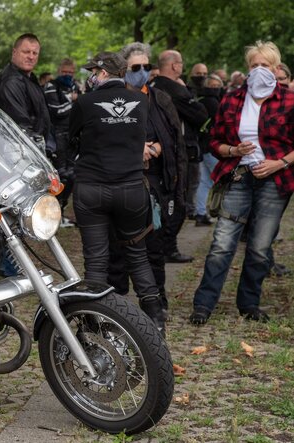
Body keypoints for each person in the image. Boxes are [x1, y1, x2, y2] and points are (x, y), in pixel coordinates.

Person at [189, 41, 294, 325]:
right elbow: (214, 141)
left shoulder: (288, 100)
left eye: (265, 65)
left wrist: (280, 162)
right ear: (248, 68)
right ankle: (203, 305)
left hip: (275, 180)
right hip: (239, 176)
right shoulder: (233, 98)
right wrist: (233, 151)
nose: (259, 70)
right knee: (222, 243)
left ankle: (249, 304)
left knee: (260, 247)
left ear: (275, 68)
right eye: (254, 65)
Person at [69, 51, 166, 336]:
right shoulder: (141, 100)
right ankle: (156, 319)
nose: (91, 75)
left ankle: (93, 324)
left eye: (93, 71)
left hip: (92, 188)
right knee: (138, 254)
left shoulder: (85, 102)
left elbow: (71, 139)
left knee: (96, 259)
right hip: (131, 187)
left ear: (101, 72)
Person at [108, 42, 187, 314]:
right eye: (135, 67)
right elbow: (99, 140)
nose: (142, 72)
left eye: (146, 66)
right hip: (118, 183)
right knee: (117, 250)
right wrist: (135, 149)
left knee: (154, 248)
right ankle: (115, 307)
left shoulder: (160, 99)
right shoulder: (111, 100)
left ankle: (156, 304)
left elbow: (173, 139)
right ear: (123, 70)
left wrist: (154, 148)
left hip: (154, 185)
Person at [150, 50, 208, 263]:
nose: (182, 66)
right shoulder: (176, 90)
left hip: (157, 152)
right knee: (180, 201)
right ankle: (168, 248)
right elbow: (201, 114)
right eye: (181, 62)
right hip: (180, 153)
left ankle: (162, 246)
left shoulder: (151, 88)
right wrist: (187, 93)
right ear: (174, 66)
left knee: (164, 201)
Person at [0, 33, 52, 153]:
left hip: (33, 148)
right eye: (26, 52)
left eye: (35, 53)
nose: (31, 57)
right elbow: (20, 125)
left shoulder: (29, 78)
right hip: (20, 152)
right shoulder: (11, 81)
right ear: (14, 52)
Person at [43, 58, 81, 225]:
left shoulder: (75, 86)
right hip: (57, 135)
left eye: (70, 73)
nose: (68, 75)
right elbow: (55, 111)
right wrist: (73, 101)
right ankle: (52, 213)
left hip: (73, 135)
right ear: (60, 71)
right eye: (65, 72)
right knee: (59, 175)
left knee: (73, 174)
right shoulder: (51, 86)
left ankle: (62, 210)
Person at [193, 74, 223, 226]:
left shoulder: (198, 101)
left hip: (201, 147)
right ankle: (223, 214)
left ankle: (200, 214)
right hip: (212, 148)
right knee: (225, 180)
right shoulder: (214, 103)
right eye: (213, 86)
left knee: (204, 182)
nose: (215, 89)